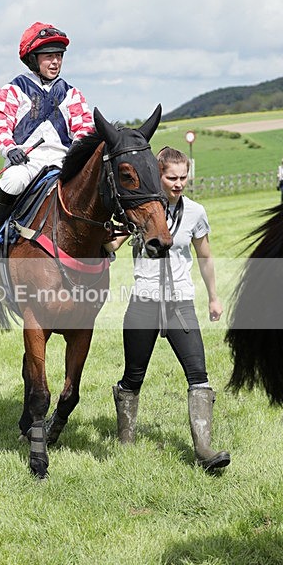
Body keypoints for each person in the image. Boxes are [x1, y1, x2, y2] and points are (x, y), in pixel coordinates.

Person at [108, 147, 230, 472]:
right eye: (171, 177)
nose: (178, 184)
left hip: (180, 304)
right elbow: (111, 245)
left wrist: (214, 297)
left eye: (183, 177)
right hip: (143, 303)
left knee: (198, 375)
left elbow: (205, 256)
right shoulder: (139, 211)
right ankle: (126, 445)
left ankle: (204, 450)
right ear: (158, 175)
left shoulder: (195, 212)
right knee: (133, 378)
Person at [0, 22, 95, 259]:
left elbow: (84, 127)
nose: (55, 62)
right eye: (49, 56)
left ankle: (100, 242)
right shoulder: (12, 90)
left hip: (64, 162)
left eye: (59, 56)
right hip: (27, 162)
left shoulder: (72, 94)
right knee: (12, 181)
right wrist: (10, 149)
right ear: (33, 59)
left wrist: (78, 150)